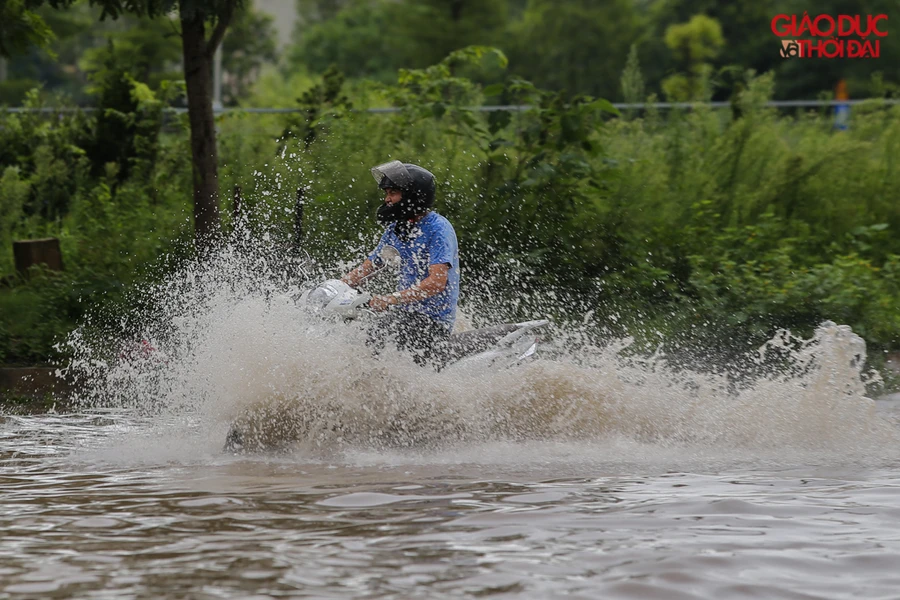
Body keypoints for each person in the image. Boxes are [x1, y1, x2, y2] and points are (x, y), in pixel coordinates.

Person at [341, 160, 460, 366]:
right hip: (404, 315)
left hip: (432, 322)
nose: (387, 199)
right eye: (386, 193)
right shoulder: (397, 228)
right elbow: (370, 266)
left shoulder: (438, 228)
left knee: (374, 338)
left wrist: (390, 299)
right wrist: (335, 287)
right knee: (354, 332)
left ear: (413, 195)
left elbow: (437, 282)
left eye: (392, 193)